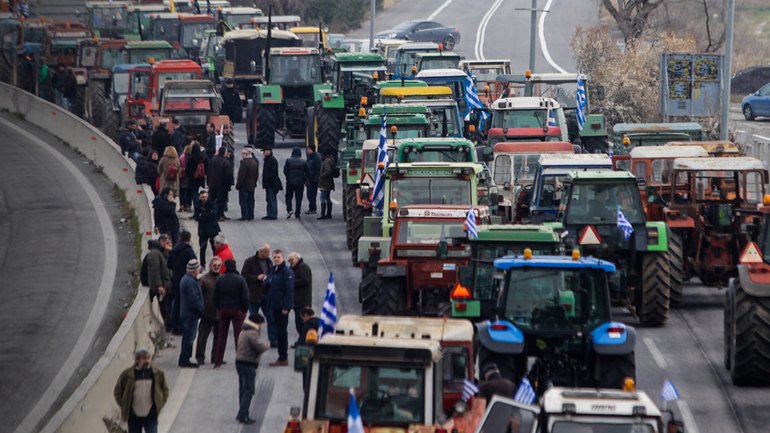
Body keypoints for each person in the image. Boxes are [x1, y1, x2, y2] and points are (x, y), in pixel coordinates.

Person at [114, 347, 169, 433]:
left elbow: (165, 390)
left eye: (148, 358)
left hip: (151, 415)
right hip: (133, 416)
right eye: (144, 359)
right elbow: (118, 392)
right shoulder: (127, 374)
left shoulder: (157, 373)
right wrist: (125, 405)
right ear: (136, 360)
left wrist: (159, 405)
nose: (147, 361)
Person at [213, 259, 250, 368]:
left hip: (224, 309)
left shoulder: (220, 279)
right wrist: (245, 309)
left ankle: (217, 362)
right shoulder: (240, 280)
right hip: (237, 310)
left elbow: (215, 297)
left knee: (221, 336)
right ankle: (240, 361)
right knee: (238, 336)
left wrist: (220, 308)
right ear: (235, 267)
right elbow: (245, 297)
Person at [235, 314, 268, 424]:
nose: (262, 326)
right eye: (261, 323)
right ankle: (243, 414)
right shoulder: (253, 333)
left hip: (240, 361)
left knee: (243, 389)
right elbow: (260, 347)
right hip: (248, 363)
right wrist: (266, 346)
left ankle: (243, 413)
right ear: (257, 323)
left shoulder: (244, 331)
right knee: (249, 390)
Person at [241, 244, 277, 347]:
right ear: (261, 252)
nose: (269, 254)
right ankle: (253, 340)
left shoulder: (268, 262)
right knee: (253, 319)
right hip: (253, 295)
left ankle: (273, 340)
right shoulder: (249, 261)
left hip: (266, 294)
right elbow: (244, 275)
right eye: (267, 252)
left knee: (271, 317)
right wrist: (257, 277)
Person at [263, 249, 294, 366]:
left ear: (283, 258)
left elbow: (289, 290)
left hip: (281, 308)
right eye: (274, 257)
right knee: (278, 331)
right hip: (273, 306)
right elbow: (265, 284)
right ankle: (281, 356)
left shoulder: (286, 272)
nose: (276, 259)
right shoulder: (274, 271)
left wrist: (286, 307)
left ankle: (283, 357)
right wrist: (268, 281)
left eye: (278, 257)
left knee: (281, 333)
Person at [168, 230, 197, 335]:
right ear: (189, 239)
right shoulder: (189, 251)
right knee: (184, 305)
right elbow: (194, 265)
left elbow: (169, 265)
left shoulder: (174, 250)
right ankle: (181, 327)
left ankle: (175, 326)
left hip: (175, 281)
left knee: (176, 305)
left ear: (180, 238)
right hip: (185, 282)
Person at [196, 257, 221, 365]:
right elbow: (198, 296)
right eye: (214, 265)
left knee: (219, 336)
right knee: (203, 336)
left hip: (219, 313)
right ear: (210, 266)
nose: (216, 267)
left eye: (218, 265)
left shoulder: (222, 278)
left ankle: (215, 356)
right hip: (207, 312)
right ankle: (200, 357)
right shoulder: (203, 280)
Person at [179, 259, 204, 367]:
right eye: (198, 268)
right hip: (191, 314)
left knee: (186, 337)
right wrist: (201, 310)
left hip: (186, 313)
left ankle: (183, 357)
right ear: (194, 271)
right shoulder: (191, 282)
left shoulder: (186, 279)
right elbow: (194, 300)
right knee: (189, 338)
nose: (199, 270)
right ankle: (185, 359)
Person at [147, 235, 173, 331]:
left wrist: (168, 252)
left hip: (166, 283)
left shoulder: (161, 252)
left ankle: (170, 323)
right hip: (162, 286)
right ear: (161, 241)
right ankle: (169, 325)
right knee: (164, 307)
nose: (168, 245)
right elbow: (155, 271)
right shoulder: (154, 254)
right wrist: (160, 285)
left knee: (167, 306)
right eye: (166, 243)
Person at [288, 252, 312, 347]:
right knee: (299, 322)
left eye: (292, 260)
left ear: (297, 259)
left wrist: (290, 281)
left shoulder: (303, 267)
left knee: (301, 322)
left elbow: (305, 280)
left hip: (302, 301)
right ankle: (302, 340)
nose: (290, 262)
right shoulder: (294, 268)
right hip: (296, 301)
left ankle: (303, 341)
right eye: (289, 260)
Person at [194, 188, 220, 266]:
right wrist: (208, 214)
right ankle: (202, 265)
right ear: (199, 197)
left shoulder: (212, 203)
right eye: (202, 197)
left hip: (213, 229)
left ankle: (216, 263)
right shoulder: (197, 204)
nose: (204, 198)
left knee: (215, 248)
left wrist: (203, 215)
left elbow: (214, 215)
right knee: (202, 248)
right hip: (203, 230)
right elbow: (196, 217)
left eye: (205, 197)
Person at [297, 308, 320, 391]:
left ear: (306, 315)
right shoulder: (321, 323)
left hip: (308, 357)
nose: (303, 321)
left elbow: (302, 342)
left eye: (303, 318)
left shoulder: (308, 326)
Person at [208, 146, 233, 221]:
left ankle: (211, 213)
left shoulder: (212, 160)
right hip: (222, 185)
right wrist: (229, 185)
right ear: (225, 153)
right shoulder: (226, 162)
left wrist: (208, 183)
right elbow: (229, 175)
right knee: (221, 201)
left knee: (212, 199)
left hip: (212, 184)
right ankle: (219, 215)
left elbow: (208, 171)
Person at [284, 147, 308, 219]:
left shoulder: (288, 160)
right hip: (300, 183)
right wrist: (305, 180)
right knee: (298, 198)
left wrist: (288, 177)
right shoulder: (304, 161)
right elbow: (307, 172)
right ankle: (297, 213)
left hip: (290, 182)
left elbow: (285, 171)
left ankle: (289, 209)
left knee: (288, 196)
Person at [236, 147, 259, 221]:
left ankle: (245, 215)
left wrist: (238, 185)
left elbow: (241, 175)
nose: (242, 155)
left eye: (242, 153)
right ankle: (251, 215)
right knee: (251, 201)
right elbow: (256, 174)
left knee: (244, 201)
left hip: (244, 186)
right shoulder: (254, 162)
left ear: (246, 154)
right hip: (252, 185)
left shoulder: (244, 162)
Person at [185, 142, 208, 210]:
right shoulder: (204, 157)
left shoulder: (191, 157)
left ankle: (196, 209)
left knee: (194, 193)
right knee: (201, 192)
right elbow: (207, 166)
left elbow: (188, 169)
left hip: (193, 178)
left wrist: (189, 175)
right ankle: (202, 207)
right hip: (201, 178)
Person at [261, 146, 281, 220]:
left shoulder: (272, 160)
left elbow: (273, 173)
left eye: (264, 151)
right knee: (268, 199)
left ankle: (273, 214)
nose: (263, 153)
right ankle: (269, 214)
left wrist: (270, 182)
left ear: (269, 151)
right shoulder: (267, 160)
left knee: (272, 199)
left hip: (271, 184)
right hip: (268, 183)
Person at [317, 147, 335, 220]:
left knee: (322, 198)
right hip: (329, 182)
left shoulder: (326, 161)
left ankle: (323, 214)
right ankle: (328, 214)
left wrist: (321, 176)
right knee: (327, 198)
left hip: (325, 182)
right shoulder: (331, 159)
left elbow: (328, 171)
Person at [305, 145, 322, 215]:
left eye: (309, 149)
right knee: (309, 194)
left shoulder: (316, 157)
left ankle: (313, 208)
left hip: (313, 179)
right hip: (309, 179)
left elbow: (318, 168)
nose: (308, 150)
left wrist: (316, 178)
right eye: (307, 149)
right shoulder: (309, 157)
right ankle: (311, 208)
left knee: (312, 194)